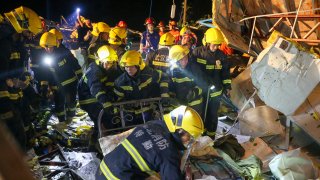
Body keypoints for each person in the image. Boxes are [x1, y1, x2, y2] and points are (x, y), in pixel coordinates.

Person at [96, 105, 204, 180]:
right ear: (179, 130)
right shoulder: (169, 154)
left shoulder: (153, 124)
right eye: (190, 136)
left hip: (102, 168)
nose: (190, 141)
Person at [1, 6, 43, 152]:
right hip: (4, 99)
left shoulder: (17, 43)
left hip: (14, 96)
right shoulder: (3, 41)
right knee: (15, 134)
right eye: (29, 31)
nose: (30, 35)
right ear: (22, 24)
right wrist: (9, 82)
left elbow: (18, 70)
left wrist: (25, 82)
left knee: (23, 129)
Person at [78, 45, 122, 147]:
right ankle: (105, 145)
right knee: (104, 120)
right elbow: (96, 88)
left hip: (99, 99)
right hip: (89, 100)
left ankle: (94, 143)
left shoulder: (112, 69)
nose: (108, 65)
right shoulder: (94, 71)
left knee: (102, 122)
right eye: (106, 63)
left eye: (110, 63)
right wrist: (105, 103)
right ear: (100, 61)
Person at [192, 28, 231, 139]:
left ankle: (210, 139)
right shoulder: (197, 52)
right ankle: (200, 137)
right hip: (201, 90)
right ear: (207, 42)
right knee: (200, 114)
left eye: (218, 45)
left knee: (212, 116)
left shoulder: (221, 55)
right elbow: (194, 70)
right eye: (214, 44)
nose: (216, 47)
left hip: (215, 91)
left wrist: (228, 87)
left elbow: (226, 73)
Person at [113, 50, 170, 123]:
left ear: (138, 66)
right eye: (126, 67)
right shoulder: (120, 82)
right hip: (130, 115)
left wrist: (164, 94)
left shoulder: (149, 74)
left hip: (147, 112)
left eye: (131, 66)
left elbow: (164, 77)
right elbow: (117, 98)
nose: (129, 69)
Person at [39, 32, 82, 124]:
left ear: (55, 45)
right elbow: (45, 73)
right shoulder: (44, 56)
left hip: (70, 83)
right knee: (59, 104)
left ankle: (70, 117)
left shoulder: (64, 52)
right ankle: (62, 122)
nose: (47, 49)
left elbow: (75, 65)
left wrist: (81, 78)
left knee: (71, 103)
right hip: (56, 85)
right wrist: (44, 87)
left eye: (49, 47)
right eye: (45, 47)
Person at [168, 45, 204, 115]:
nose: (185, 61)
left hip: (195, 106)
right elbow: (170, 89)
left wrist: (194, 93)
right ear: (176, 61)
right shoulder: (171, 71)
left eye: (186, 58)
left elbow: (202, 84)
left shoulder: (194, 68)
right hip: (178, 107)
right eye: (181, 59)